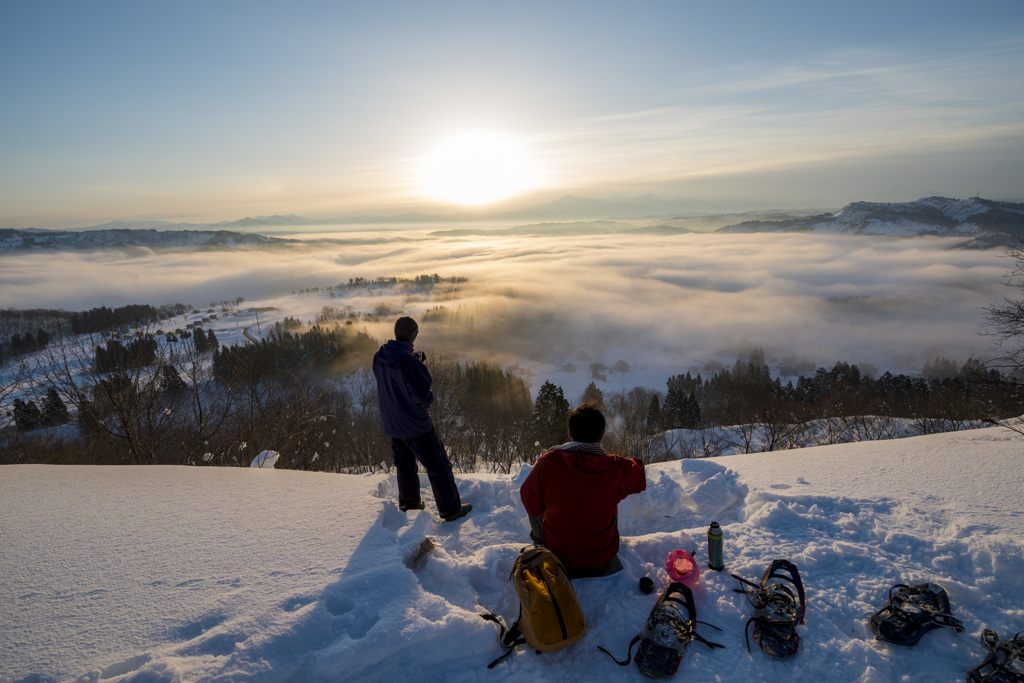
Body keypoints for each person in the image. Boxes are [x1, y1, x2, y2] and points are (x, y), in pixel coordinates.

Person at [519, 402, 646, 578]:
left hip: (558, 554)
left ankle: (541, 544)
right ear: (601, 435)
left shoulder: (549, 461)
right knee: (610, 496)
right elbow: (639, 476)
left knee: (534, 495)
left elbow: (529, 500)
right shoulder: (616, 467)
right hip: (603, 556)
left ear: (570, 433)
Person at [372, 316, 471, 522]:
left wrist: (413, 359)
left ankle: (409, 505)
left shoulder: (379, 357)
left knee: (405, 467)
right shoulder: (409, 363)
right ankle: (450, 510)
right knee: (438, 465)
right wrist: (417, 366)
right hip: (416, 426)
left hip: (393, 424)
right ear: (415, 335)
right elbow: (424, 397)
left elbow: (393, 379)